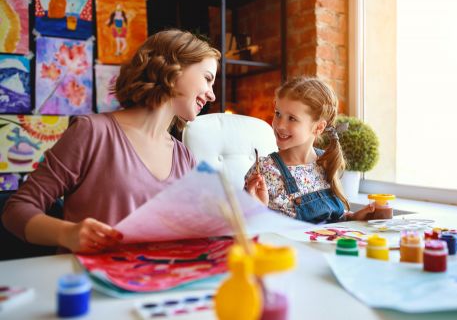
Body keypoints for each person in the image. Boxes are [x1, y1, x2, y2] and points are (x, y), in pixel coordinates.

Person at [2, 29, 220, 253]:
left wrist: (252, 207)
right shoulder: (92, 132)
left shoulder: (186, 158)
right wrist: (66, 233)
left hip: (159, 283)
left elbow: (200, 232)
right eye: (207, 78)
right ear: (173, 68)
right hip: (89, 283)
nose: (212, 95)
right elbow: (16, 210)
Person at [245, 77, 375, 223]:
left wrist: (355, 217)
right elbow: (244, 230)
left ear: (319, 127)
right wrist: (257, 209)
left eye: (292, 118)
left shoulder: (325, 161)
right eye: (278, 114)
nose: (280, 125)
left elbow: (333, 220)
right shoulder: (264, 170)